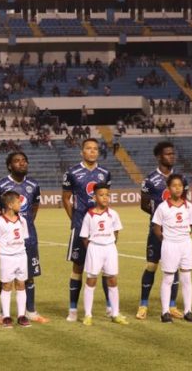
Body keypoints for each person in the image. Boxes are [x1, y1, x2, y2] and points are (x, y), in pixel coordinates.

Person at [0, 152, 49, 324]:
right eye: (17, 161)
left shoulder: (33, 185)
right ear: (10, 165)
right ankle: (4, 314)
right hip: (8, 239)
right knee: (6, 277)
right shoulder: (1, 185)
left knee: (29, 275)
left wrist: (24, 224)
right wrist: (9, 225)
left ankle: (30, 311)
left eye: (24, 160)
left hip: (28, 236)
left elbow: (35, 208)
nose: (22, 163)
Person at [62, 138, 113, 322]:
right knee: (78, 267)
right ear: (82, 152)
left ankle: (110, 306)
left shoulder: (104, 173)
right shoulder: (72, 173)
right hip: (80, 226)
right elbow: (66, 198)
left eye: (95, 149)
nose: (92, 151)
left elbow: (106, 198)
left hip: (101, 229)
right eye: (88, 149)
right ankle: (73, 309)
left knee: (107, 268)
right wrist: (75, 219)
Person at [136, 142, 186, 320]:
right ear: (159, 157)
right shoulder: (150, 180)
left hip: (177, 233)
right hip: (157, 232)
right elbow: (143, 204)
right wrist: (162, 217)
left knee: (175, 269)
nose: (171, 156)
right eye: (167, 154)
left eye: (173, 153)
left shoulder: (180, 179)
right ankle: (143, 305)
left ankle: (172, 305)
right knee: (151, 266)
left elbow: (185, 204)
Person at [151, 174, 192, 323]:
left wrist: (184, 236)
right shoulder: (163, 207)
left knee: (186, 278)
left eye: (180, 185)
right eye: (174, 185)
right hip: (169, 244)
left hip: (185, 244)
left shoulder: (189, 206)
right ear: (168, 188)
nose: (177, 188)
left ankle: (188, 311)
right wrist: (166, 240)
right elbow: (156, 228)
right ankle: (165, 312)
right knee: (168, 278)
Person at [80, 184, 128, 326]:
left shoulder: (113, 214)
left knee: (112, 280)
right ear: (95, 197)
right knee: (91, 280)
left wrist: (110, 245)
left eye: (107, 195)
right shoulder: (89, 215)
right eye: (101, 195)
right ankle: (88, 314)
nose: (105, 197)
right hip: (94, 248)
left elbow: (116, 232)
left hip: (110, 249)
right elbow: (84, 236)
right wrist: (92, 249)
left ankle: (115, 313)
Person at [0, 190, 31, 328]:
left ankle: (21, 315)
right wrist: (1, 258)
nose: (20, 204)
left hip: (21, 256)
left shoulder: (23, 221)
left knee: (21, 284)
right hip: (7, 258)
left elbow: (24, 239)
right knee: (7, 286)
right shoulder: (0, 223)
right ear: (9, 205)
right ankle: (6, 316)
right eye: (18, 202)